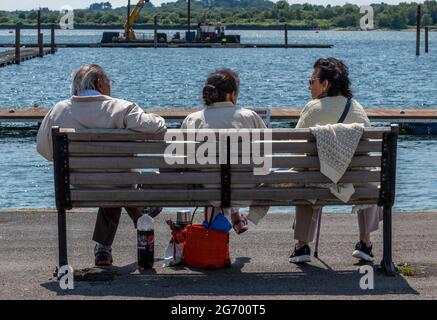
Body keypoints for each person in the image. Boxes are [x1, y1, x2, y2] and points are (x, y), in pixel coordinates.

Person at [36, 64, 166, 266]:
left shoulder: (59, 110)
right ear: (99, 83)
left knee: (112, 181)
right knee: (117, 180)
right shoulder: (122, 108)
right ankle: (141, 213)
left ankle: (104, 249)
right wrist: (156, 117)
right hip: (119, 186)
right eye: (109, 82)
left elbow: (43, 149)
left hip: (75, 189)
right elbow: (156, 127)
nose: (111, 86)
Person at [290, 57, 383, 264]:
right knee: (368, 176)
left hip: (318, 184)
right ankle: (365, 243)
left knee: (304, 176)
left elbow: (296, 152)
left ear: (326, 84)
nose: (308, 86)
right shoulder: (357, 108)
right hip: (356, 185)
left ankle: (302, 246)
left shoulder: (312, 108)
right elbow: (366, 156)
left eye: (312, 80)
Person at [181, 68, 267, 234]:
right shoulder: (250, 117)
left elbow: (182, 157)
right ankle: (237, 215)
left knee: (208, 176)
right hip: (245, 189)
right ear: (233, 94)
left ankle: (215, 236)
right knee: (229, 175)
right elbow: (265, 153)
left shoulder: (193, 119)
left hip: (207, 188)